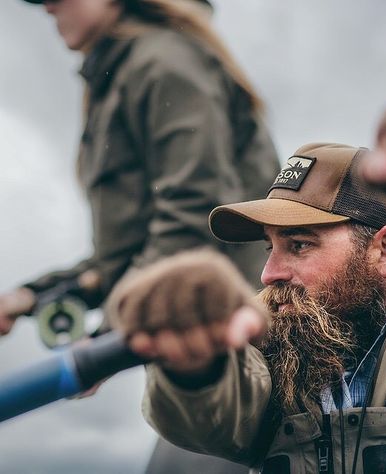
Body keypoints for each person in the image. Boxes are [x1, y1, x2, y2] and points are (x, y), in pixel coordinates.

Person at [106, 98, 386, 473]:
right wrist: (196, 366)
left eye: (299, 245)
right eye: (271, 247)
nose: (269, 273)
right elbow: (216, 411)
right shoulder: (282, 345)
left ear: (385, 249)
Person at [1, 0, 280, 472]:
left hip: (238, 348)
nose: (46, 5)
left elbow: (194, 212)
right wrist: (30, 297)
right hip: (196, 350)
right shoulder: (120, 74)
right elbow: (124, 252)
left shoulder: (164, 62)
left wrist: (107, 340)